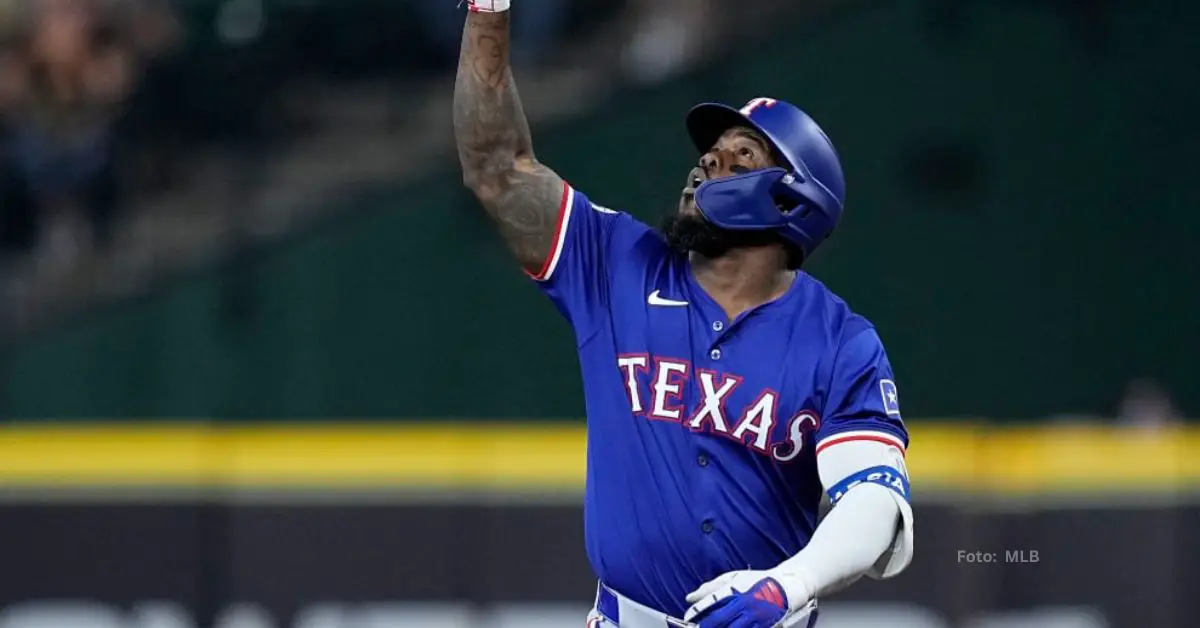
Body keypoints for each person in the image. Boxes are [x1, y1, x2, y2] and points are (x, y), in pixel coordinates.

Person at [452, 2, 914, 627]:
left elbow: (873, 501)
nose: (707, 163)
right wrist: (489, 10)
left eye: (739, 156)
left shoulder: (839, 343)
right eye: (710, 153)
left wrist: (788, 584)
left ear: (790, 200)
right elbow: (496, 168)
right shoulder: (617, 263)